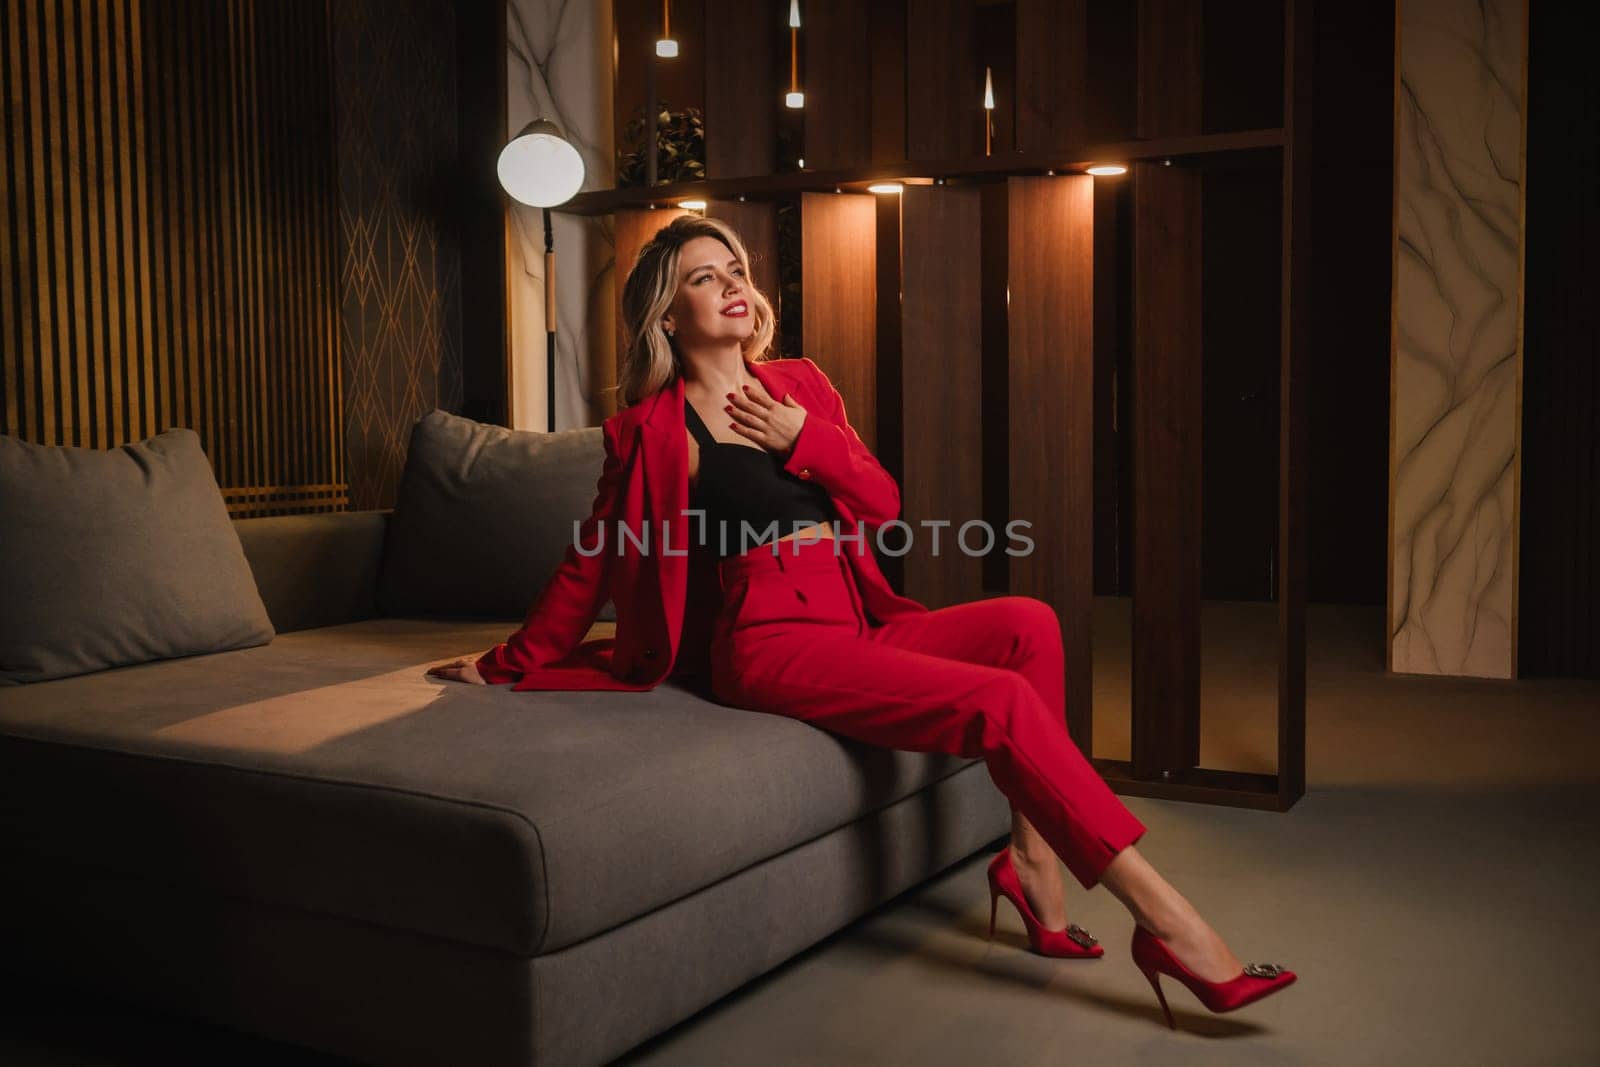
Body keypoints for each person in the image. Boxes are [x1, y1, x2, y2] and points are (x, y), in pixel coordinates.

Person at [429, 215, 1295, 1029]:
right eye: (703, 276)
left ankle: (1032, 864)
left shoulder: (800, 386)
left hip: (853, 614)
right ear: (668, 311)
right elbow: (593, 562)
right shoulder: (653, 432)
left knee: (1029, 623)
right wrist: (511, 659)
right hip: (768, 641)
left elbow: (883, 505)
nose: (732, 283)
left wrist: (805, 436)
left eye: (736, 269)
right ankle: (1168, 921)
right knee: (997, 700)